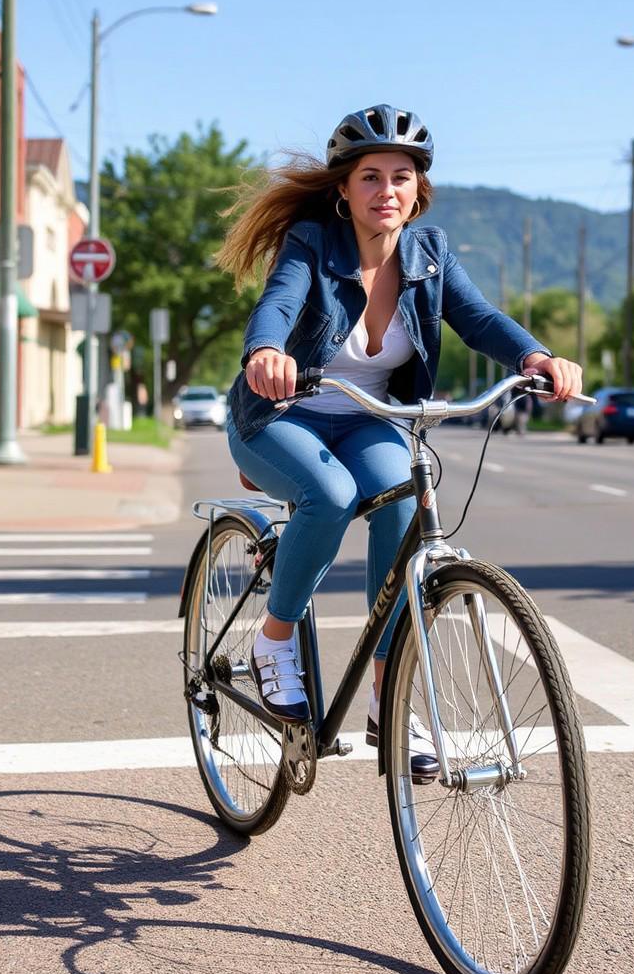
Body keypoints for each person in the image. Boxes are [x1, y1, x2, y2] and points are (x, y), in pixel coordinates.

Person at [218, 104, 582, 777]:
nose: (386, 190)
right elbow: (277, 303)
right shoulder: (309, 242)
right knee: (328, 494)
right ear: (344, 191)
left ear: (419, 191)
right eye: (370, 177)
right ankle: (273, 643)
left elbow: (479, 319)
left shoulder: (431, 253)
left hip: (365, 418)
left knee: (404, 502)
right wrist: (266, 351)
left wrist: (536, 357)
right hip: (277, 416)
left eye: (401, 176)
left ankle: (390, 694)